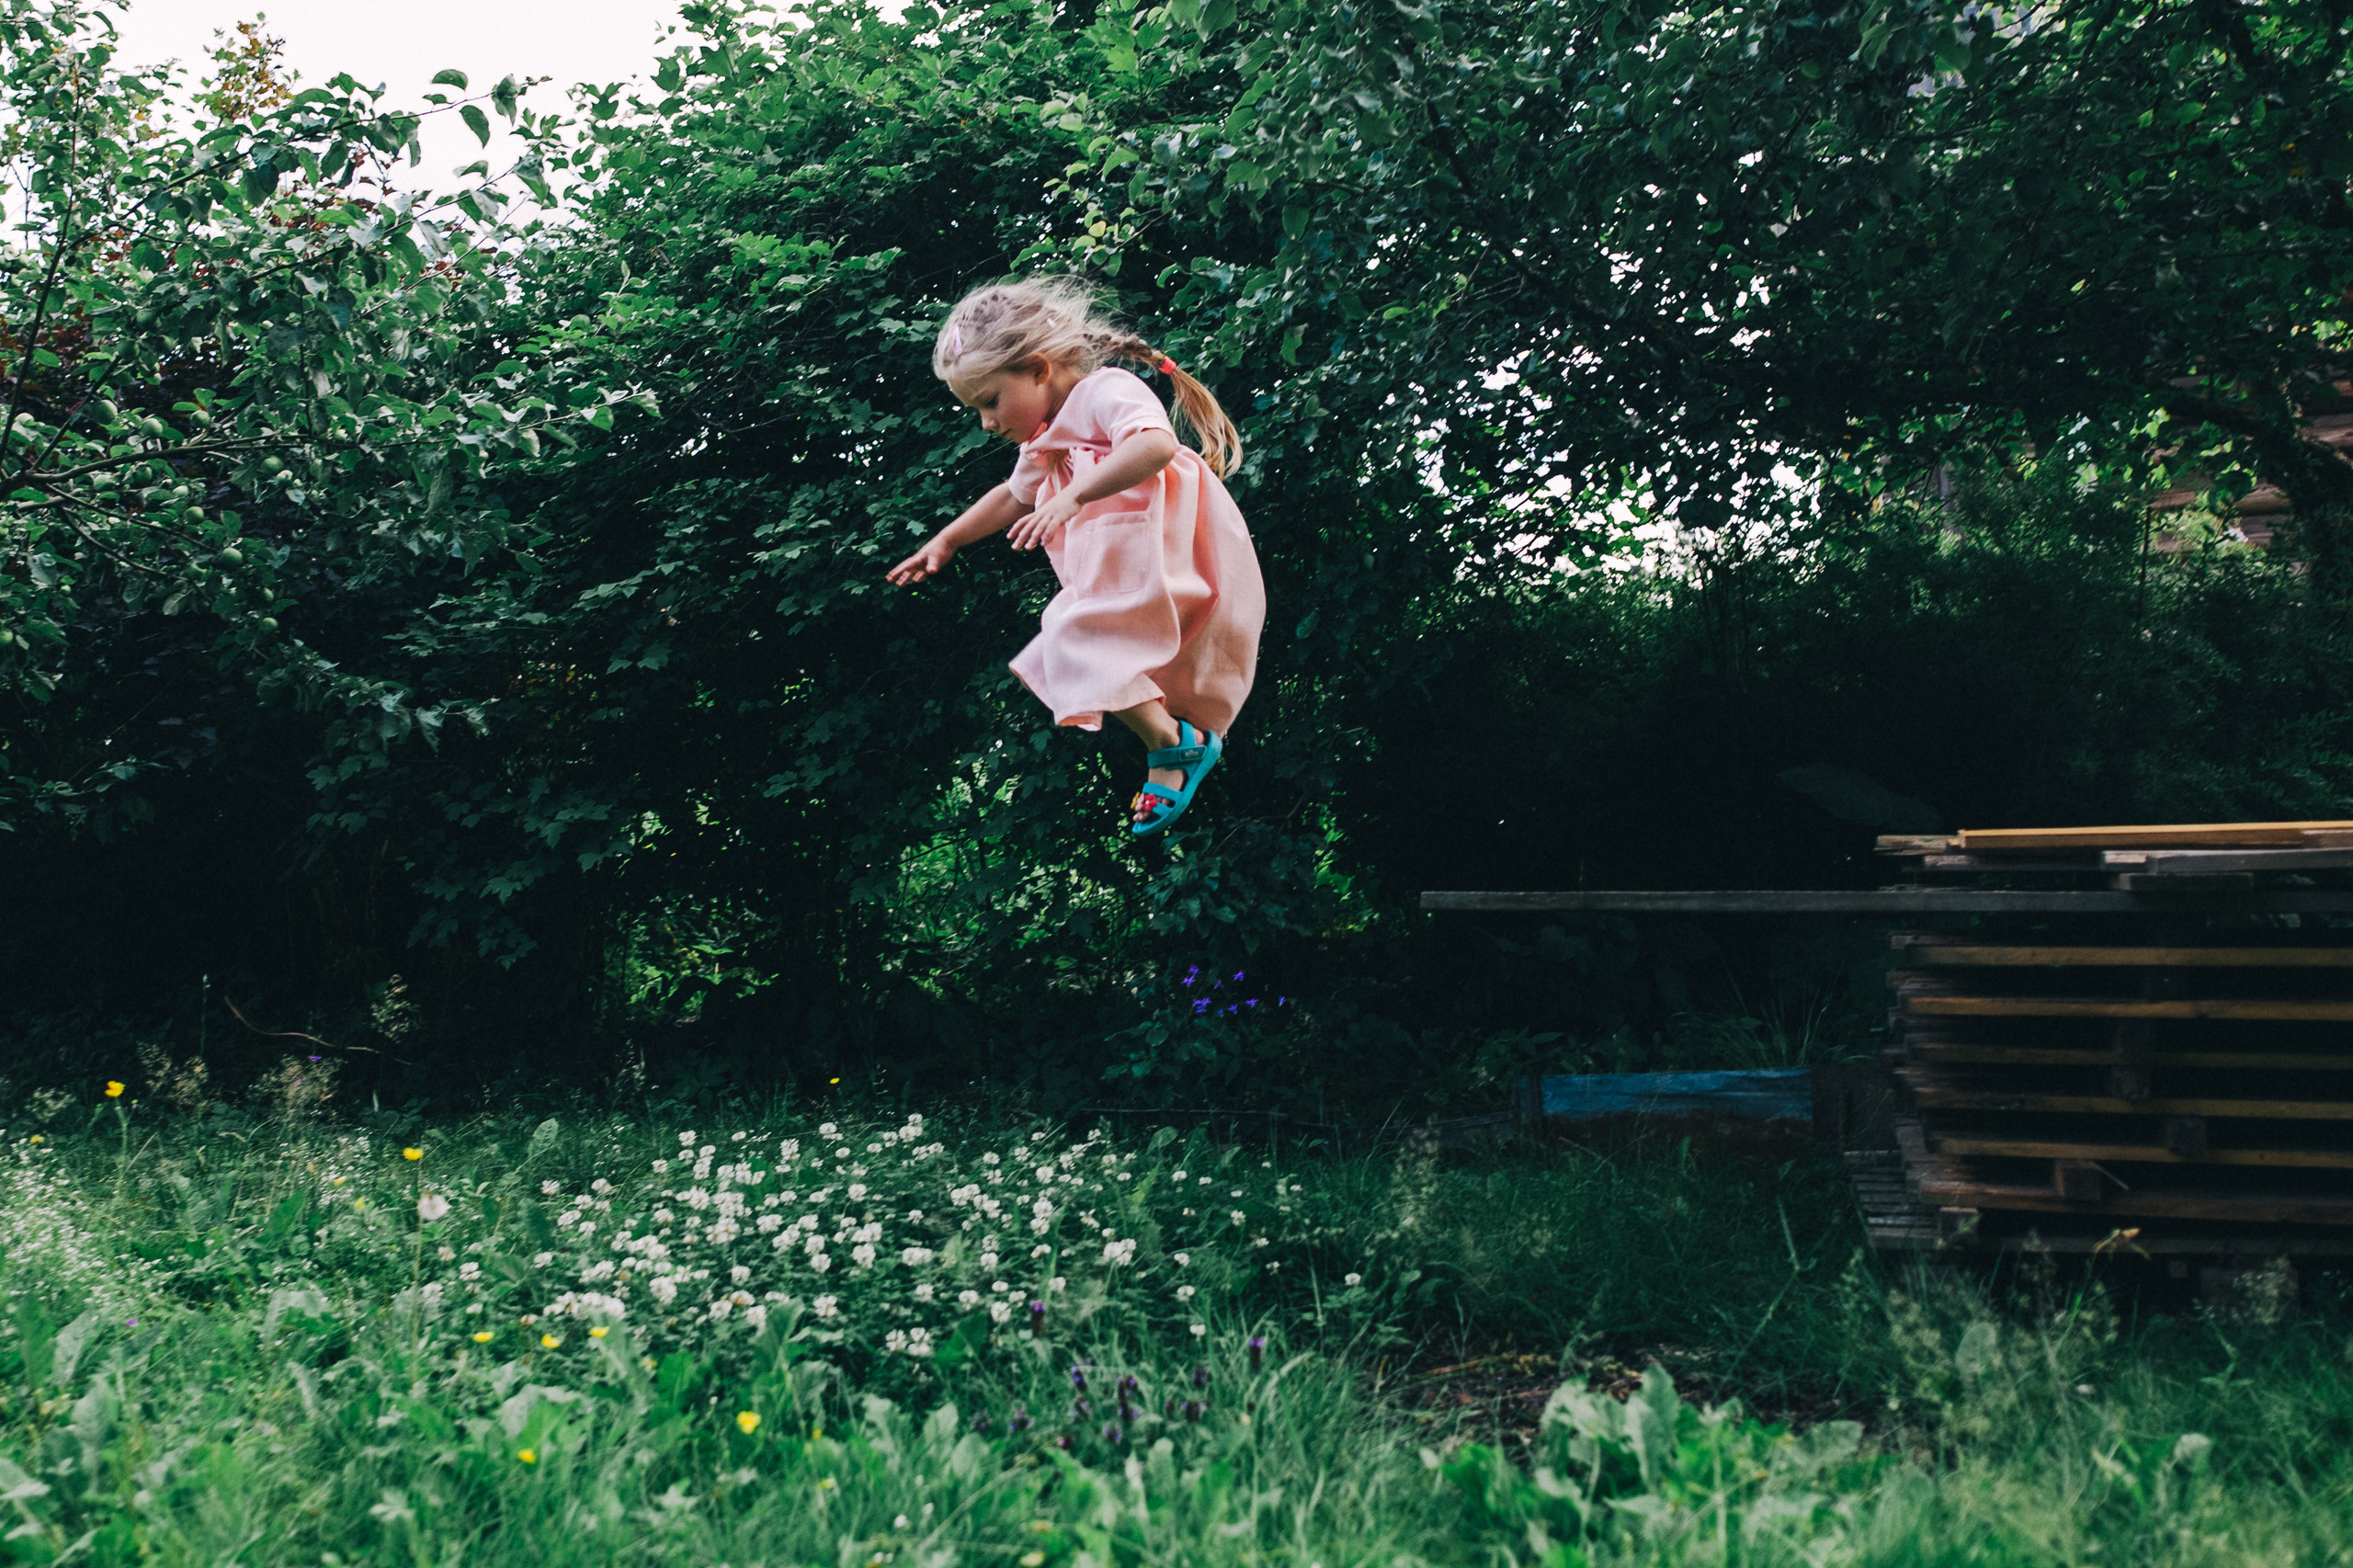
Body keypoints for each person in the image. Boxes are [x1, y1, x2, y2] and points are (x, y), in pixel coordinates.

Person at [886, 279, 1265, 838]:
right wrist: (948, 540)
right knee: (1082, 648)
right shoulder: (1044, 441)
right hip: (1121, 573)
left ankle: (1172, 746)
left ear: (1038, 369)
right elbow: (1012, 496)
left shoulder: (1106, 390)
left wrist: (1072, 497)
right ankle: (1177, 744)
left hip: (1174, 552)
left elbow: (1154, 444)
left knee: (1070, 636)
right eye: (976, 410)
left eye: (990, 401)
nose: (987, 422)